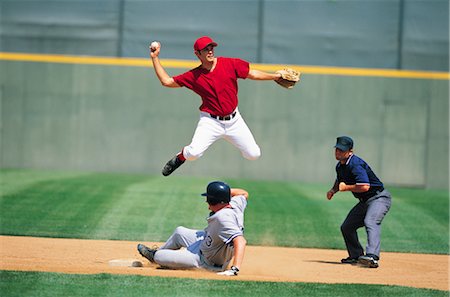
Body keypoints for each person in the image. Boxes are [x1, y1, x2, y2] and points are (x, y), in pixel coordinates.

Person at [149, 36, 283, 176]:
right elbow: (166, 81)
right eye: (205, 49)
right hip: (211, 121)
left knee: (254, 154)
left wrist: (275, 76)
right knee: (193, 153)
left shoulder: (230, 64)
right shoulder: (194, 76)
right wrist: (155, 58)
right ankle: (181, 156)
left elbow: (253, 74)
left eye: (211, 47)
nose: (210, 51)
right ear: (197, 54)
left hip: (234, 121)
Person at [137, 181, 249, 276]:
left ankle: (156, 256)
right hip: (207, 244)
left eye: (209, 198)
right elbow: (244, 193)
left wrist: (235, 268)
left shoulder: (223, 218)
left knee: (160, 256)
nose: (206, 201)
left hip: (206, 262)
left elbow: (240, 241)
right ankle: (155, 255)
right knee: (179, 232)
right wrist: (222, 193)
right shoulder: (234, 204)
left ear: (217, 201)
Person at [326, 136, 392, 268]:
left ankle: (372, 257)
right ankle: (355, 255)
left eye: (342, 150)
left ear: (350, 151)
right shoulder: (340, 166)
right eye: (337, 149)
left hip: (379, 198)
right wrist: (333, 190)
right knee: (347, 227)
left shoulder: (355, 164)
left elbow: (365, 186)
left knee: (371, 221)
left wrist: (346, 188)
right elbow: (340, 180)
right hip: (365, 201)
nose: (338, 152)